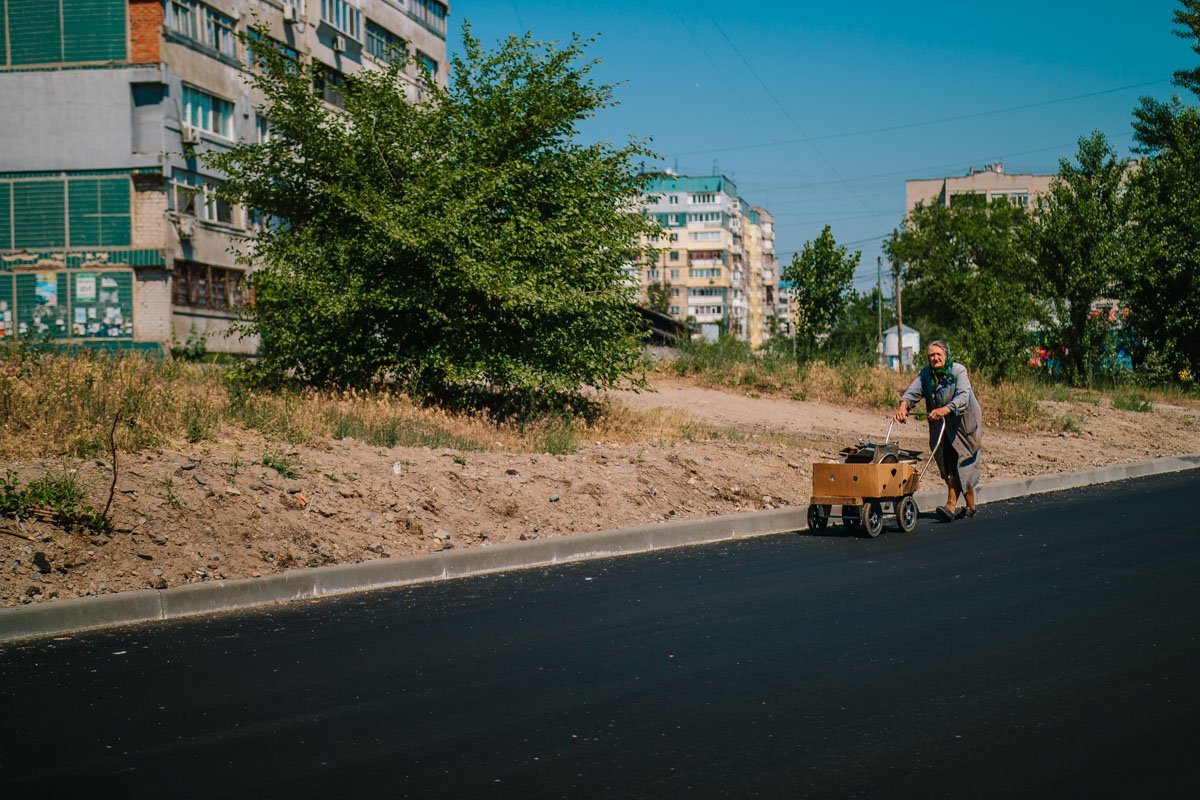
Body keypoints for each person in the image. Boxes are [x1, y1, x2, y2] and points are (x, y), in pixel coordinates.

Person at [893, 341, 983, 521]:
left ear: (946, 355)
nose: (935, 358)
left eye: (938, 354)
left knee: (959, 462)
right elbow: (913, 392)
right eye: (931, 355)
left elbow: (963, 397)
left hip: (963, 425)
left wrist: (945, 409)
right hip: (941, 426)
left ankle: (950, 506)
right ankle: (971, 505)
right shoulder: (926, 373)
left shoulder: (958, 371)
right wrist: (903, 406)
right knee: (949, 464)